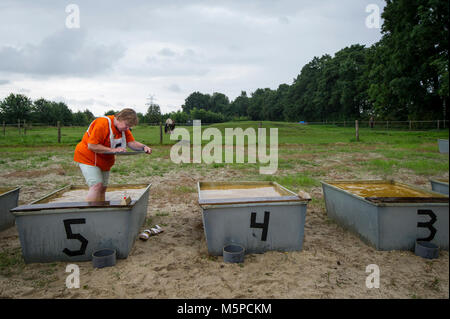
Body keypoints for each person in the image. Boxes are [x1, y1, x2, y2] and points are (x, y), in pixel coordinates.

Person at [74, 108, 152, 202]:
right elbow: (92, 145)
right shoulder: (102, 123)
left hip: (104, 161)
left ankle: (100, 210)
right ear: (120, 118)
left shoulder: (123, 129)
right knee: (96, 186)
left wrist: (144, 147)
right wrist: (113, 150)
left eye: (129, 127)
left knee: (102, 188)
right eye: (127, 125)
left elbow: (132, 143)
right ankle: (89, 214)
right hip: (87, 157)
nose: (127, 129)